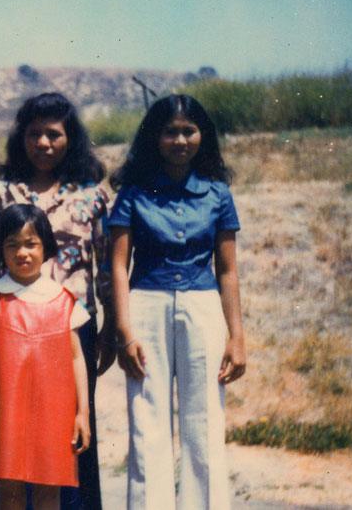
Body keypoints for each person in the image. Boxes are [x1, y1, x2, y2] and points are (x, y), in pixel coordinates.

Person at [0, 92, 111, 509]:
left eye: (54, 134)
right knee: (8, 439)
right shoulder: (3, 191)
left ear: (71, 138)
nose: (44, 143)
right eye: (34, 134)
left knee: (68, 437)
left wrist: (109, 329)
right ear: (21, 138)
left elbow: (102, 261)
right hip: (10, 327)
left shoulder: (90, 193)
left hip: (70, 325)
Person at [108, 94, 246, 510]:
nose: (180, 140)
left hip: (202, 307)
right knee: (146, 423)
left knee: (204, 422)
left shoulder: (217, 194)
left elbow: (228, 270)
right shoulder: (133, 194)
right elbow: (117, 266)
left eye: (189, 131)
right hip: (145, 305)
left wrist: (237, 336)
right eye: (170, 131)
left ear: (203, 136)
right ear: (155, 137)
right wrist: (124, 330)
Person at [0, 204, 91, 510]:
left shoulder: (64, 301)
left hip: (54, 413)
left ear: (46, 246)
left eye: (31, 244)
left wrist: (82, 414)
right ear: (0, 250)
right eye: (12, 245)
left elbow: (77, 359)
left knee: (50, 490)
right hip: (6, 413)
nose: (22, 253)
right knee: (10, 490)